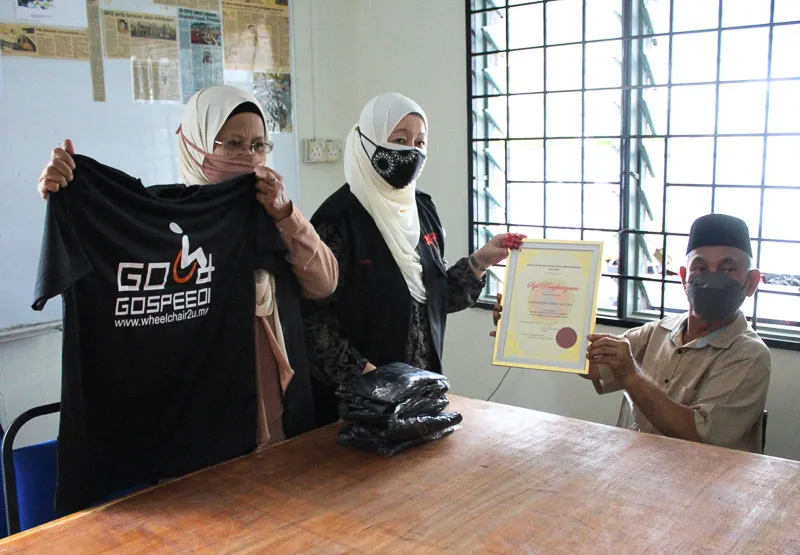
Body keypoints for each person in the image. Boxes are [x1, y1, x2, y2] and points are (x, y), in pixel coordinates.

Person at [37, 85, 338, 449]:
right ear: (198, 144)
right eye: (232, 143)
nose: (249, 156)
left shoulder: (273, 211)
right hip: (203, 419)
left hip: (280, 410)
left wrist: (288, 216)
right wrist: (69, 190)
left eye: (259, 145)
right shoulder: (165, 221)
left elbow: (324, 283)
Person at [304, 92, 524, 423]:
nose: (411, 151)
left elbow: (434, 297)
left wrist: (481, 261)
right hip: (358, 406)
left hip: (420, 397)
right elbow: (313, 321)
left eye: (420, 142)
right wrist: (369, 377)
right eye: (399, 139)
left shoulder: (422, 210)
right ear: (368, 141)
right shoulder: (336, 222)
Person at [492, 213, 771, 453]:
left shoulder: (749, 355)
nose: (712, 277)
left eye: (727, 268)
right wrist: (526, 321)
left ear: (751, 282)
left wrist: (631, 374)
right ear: (684, 277)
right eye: (700, 267)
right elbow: (591, 362)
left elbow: (699, 436)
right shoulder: (659, 331)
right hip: (634, 471)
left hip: (701, 492)